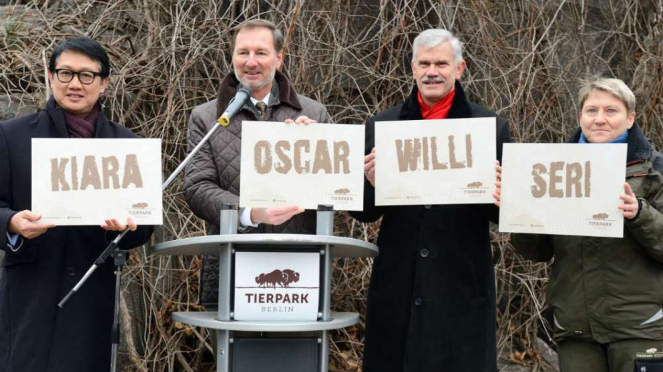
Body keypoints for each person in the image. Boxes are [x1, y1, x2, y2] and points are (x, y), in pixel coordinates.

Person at [350, 29, 511, 372]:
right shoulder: (382, 124)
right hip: (400, 279)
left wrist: (502, 197)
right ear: (412, 68)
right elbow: (362, 212)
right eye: (424, 63)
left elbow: (507, 214)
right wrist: (373, 184)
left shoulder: (490, 127)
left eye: (441, 63)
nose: (432, 71)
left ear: (460, 68)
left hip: (461, 281)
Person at [0, 37, 154, 372]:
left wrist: (126, 229)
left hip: (92, 292)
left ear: (104, 83)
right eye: (65, 73)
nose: (74, 83)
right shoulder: (10, 136)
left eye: (86, 75)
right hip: (30, 292)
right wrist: (12, 223)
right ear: (51, 77)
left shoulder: (128, 146)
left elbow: (143, 226)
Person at [494, 78, 663, 372]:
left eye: (611, 111)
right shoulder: (552, 170)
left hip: (639, 326)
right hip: (575, 326)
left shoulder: (654, 169)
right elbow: (536, 252)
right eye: (591, 110)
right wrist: (519, 211)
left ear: (630, 117)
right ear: (580, 116)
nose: (600, 119)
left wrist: (639, 214)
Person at [183, 19, 330, 303]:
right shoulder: (206, 117)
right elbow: (197, 187)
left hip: (299, 271)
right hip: (230, 265)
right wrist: (251, 212)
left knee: (296, 349)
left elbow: (333, 192)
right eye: (243, 52)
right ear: (233, 57)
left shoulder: (314, 113)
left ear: (279, 58)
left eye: (261, 53)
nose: (251, 62)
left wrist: (313, 150)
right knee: (234, 348)